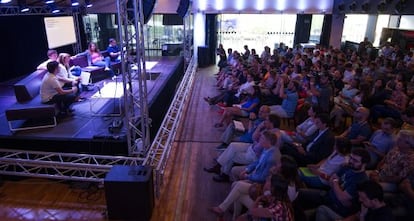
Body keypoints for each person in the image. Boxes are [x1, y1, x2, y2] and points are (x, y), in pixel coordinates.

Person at [208, 131, 281, 218]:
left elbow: (262, 178)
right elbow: (257, 162)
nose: (259, 140)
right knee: (235, 178)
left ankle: (222, 209)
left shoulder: (271, 158)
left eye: (262, 138)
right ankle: (236, 214)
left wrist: (248, 176)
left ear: (268, 141)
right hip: (256, 175)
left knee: (237, 185)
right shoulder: (268, 148)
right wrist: (247, 170)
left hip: (263, 185)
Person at [204, 114, 281, 183]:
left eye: (266, 120)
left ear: (272, 123)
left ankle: (224, 174)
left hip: (254, 155)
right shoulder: (266, 129)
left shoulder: (274, 135)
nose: (264, 121)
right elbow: (253, 137)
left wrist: (256, 141)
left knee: (232, 155)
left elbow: (261, 146)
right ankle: (218, 166)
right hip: (251, 147)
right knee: (233, 146)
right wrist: (259, 128)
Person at [298, 148, 371, 220]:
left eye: (355, 160)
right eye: (351, 158)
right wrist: (337, 187)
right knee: (299, 193)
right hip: (327, 196)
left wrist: (335, 182)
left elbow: (342, 198)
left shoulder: (361, 180)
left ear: (364, 164)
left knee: (306, 215)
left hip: (337, 209)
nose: (351, 161)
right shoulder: (346, 167)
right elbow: (330, 181)